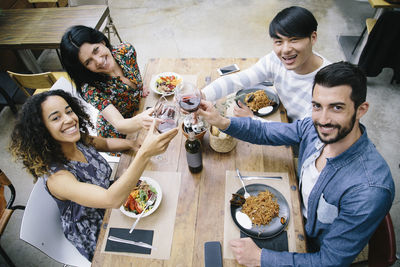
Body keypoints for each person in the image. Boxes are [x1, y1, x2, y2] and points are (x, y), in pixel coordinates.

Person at [198, 62, 394, 266]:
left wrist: (260, 258)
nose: (323, 119)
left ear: (361, 110)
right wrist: (221, 121)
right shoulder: (314, 126)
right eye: (317, 105)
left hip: (312, 247)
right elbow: (266, 132)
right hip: (293, 211)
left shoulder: (368, 190)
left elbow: (329, 261)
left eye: (337, 107)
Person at [9, 90, 178, 261]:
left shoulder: (77, 140)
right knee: (161, 246)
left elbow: (105, 143)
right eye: (55, 118)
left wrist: (132, 143)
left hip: (115, 203)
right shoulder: (57, 178)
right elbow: (110, 199)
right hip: (96, 230)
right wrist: (145, 154)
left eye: (68, 111)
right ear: (41, 130)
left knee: (170, 209)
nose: (69, 119)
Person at [202, 6, 331, 121]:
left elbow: (299, 133)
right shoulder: (276, 60)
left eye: (294, 40)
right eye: (279, 41)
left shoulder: (328, 85)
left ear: (313, 37)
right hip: (284, 118)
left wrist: (252, 119)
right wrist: (201, 95)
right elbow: (239, 79)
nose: (285, 49)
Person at [60, 25, 153, 145]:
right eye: (88, 62)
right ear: (83, 68)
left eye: (96, 50)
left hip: (140, 110)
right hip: (119, 135)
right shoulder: (90, 89)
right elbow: (120, 125)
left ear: (102, 42)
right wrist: (143, 120)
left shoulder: (126, 51)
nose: (98, 61)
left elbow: (134, 76)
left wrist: (138, 88)